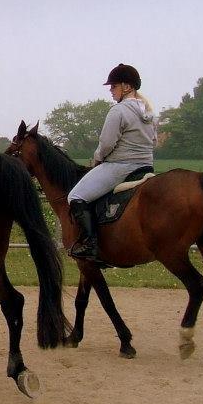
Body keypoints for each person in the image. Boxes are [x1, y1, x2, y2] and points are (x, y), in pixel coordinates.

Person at [67, 63, 157, 261]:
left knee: (76, 196)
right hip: (146, 166)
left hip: (121, 166)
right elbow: (154, 141)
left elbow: (106, 144)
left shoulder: (118, 111)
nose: (110, 90)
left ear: (127, 87)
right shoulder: (150, 114)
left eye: (113, 86)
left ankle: (90, 244)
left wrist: (97, 159)